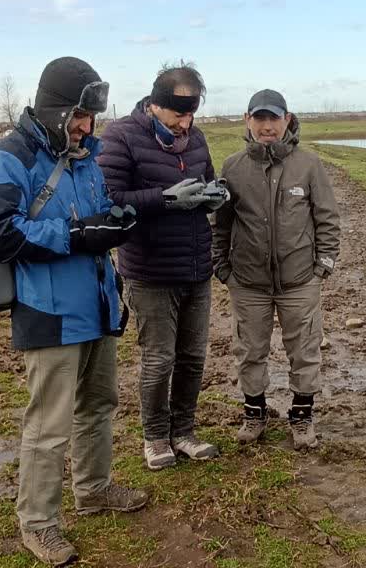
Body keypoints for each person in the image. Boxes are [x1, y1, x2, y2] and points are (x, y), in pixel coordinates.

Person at [0, 56, 147, 566]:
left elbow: (96, 218)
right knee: (49, 427)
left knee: (100, 406)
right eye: (79, 117)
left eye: (92, 118)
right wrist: (73, 234)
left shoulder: (87, 157)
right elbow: (0, 234)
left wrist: (117, 221)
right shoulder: (6, 161)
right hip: (48, 316)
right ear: (55, 108)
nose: (87, 127)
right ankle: (39, 524)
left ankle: (93, 490)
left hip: (97, 307)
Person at [99, 63, 226, 470]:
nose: (185, 122)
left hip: (195, 265)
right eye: (177, 114)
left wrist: (214, 194)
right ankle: (155, 437)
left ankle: (184, 431)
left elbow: (207, 176)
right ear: (155, 104)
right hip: (150, 269)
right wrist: (165, 199)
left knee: (192, 357)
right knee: (159, 359)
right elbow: (109, 198)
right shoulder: (121, 135)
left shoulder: (196, 137)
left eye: (191, 114)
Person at [212, 89, 341, 449]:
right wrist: (223, 268)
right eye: (260, 118)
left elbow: (327, 218)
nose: (267, 126)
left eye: (274, 118)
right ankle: (254, 414)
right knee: (249, 349)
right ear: (247, 120)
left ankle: (302, 417)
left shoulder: (309, 165)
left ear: (287, 120)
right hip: (248, 283)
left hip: (301, 281)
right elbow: (221, 225)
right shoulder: (233, 167)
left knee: (304, 349)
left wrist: (322, 268)